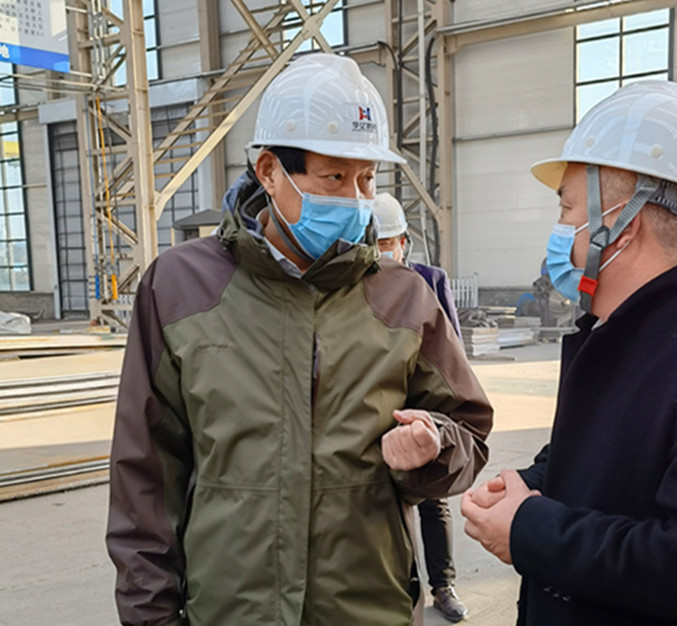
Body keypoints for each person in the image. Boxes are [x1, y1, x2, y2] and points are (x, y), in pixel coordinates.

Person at [106, 53, 493, 626]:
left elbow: (469, 433)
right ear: (269, 171)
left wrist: (433, 447)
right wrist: (151, 617)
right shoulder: (180, 288)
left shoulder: (403, 298)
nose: (355, 199)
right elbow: (145, 473)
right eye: (334, 177)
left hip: (367, 611)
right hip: (230, 612)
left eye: (366, 179)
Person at [461, 81, 677, 626]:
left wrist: (529, 529)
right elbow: (610, 464)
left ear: (621, 223)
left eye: (568, 209)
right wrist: (532, 484)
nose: (561, 232)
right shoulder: (613, 335)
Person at [373, 193, 467, 623]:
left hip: (425, 408)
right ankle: (400, 588)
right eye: (375, 243)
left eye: (387, 243)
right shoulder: (358, 284)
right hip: (382, 410)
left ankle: (443, 585)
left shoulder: (429, 280)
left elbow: (453, 351)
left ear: (403, 243)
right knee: (389, 505)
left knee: (433, 500)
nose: (382, 251)